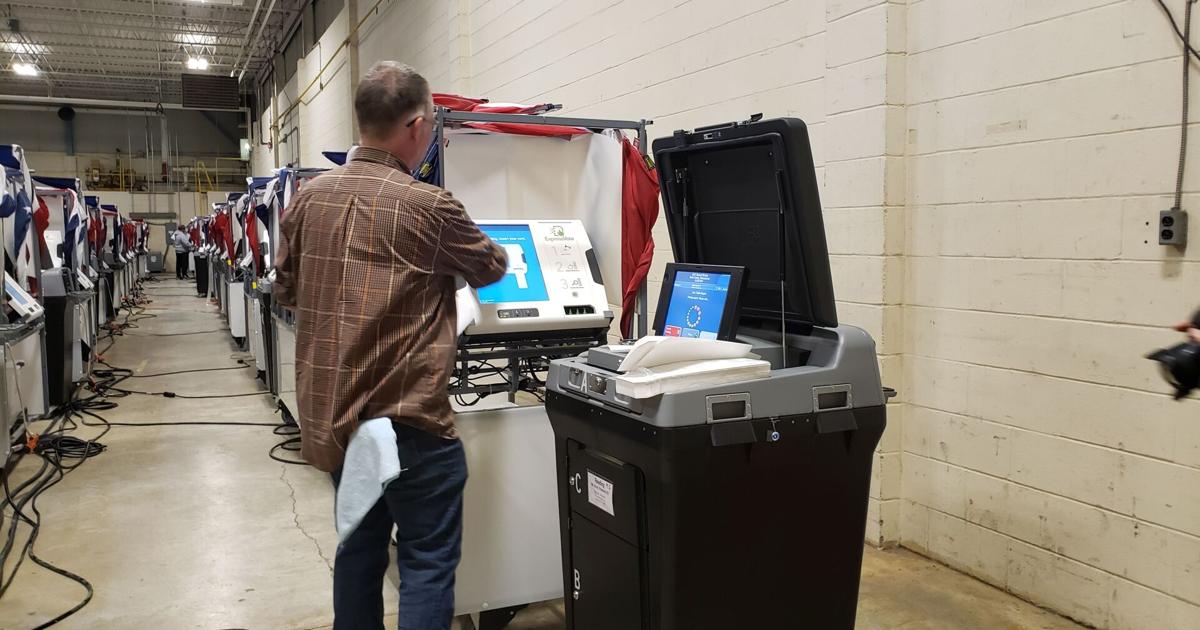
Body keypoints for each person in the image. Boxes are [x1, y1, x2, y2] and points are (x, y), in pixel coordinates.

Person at [273, 61, 508, 630]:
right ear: (418, 125)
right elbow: (492, 266)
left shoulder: (308, 200)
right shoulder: (431, 206)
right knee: (427, 561)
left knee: (358, 550)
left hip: (339, 418)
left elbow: (285, 288)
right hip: (411, 422)